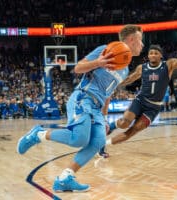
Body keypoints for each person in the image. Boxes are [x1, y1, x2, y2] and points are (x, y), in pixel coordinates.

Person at [17, 24, 144, 192]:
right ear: (132, 39)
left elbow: (107, 94)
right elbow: (78, 68)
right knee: (79, 139)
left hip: (97, 108)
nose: (142, 45)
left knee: (98, 142)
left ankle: (64, 179)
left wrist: (104, 118)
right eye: (141, 41)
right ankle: (39, 134)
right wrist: (98, 62)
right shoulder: (106, 50)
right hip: (83, 98)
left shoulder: (125, 68)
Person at [99, 23, 177, 157]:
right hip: (141, 100)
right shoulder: (142, 68)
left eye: (156, 53)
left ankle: (104, 144)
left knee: (134, 130)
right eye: (150, 53)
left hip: (154, 107)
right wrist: (115, 84)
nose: (152, 55)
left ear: (161, 55)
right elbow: (129, 79)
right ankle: (110, 127)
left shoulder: (169, 65)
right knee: (125, 122)